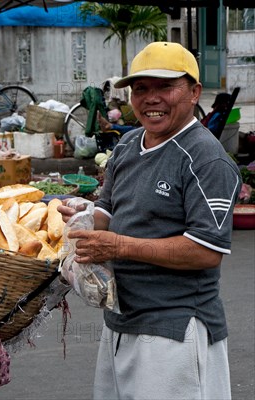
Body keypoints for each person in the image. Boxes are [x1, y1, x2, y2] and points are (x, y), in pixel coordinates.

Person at [58, 42, 241, 399]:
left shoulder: (206, 160)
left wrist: (119, 246)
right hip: (120, 319)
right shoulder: (128, 146)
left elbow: (206, 251)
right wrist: (81, 220)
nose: (150, 98)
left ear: (194, 93)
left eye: (165, 87)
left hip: (174, 330)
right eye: (141, 89)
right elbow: (106, 212)